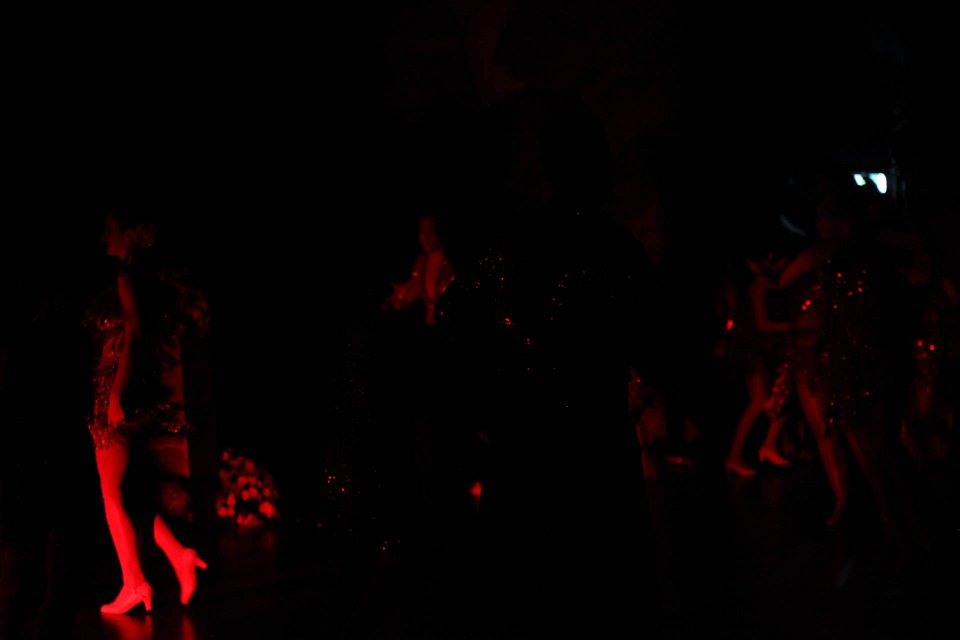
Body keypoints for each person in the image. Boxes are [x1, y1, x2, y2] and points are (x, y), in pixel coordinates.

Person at [88, 212, 207, 615]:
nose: (102, 236)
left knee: (112, 491)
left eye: (109, 228)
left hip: (117, 389)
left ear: (129, 231)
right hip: (126, 388)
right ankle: (178, 555)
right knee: (132, 490)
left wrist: (116, 393)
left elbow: (134, 333)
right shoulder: (140, 275)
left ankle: (134, 581)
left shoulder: (129, 274)